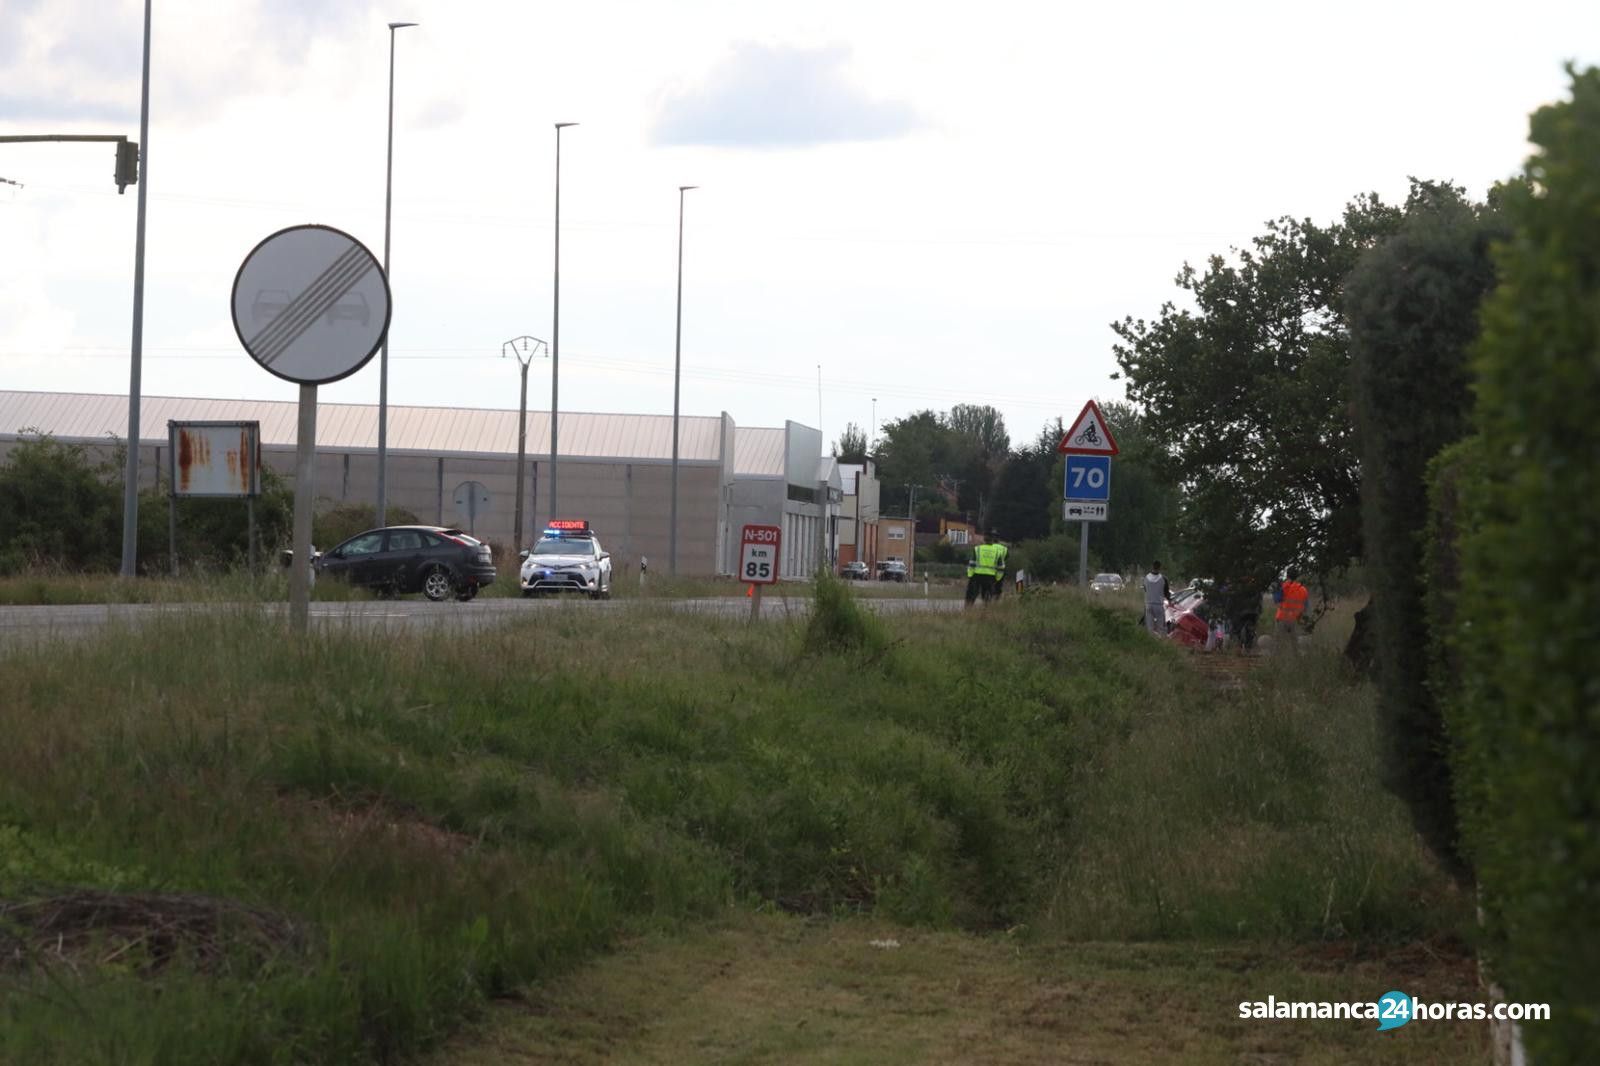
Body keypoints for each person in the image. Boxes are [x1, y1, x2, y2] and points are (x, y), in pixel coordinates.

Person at [1275, 567, 1309, 652]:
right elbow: (1306, 607)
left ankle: (1278, 661)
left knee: (1279, 644)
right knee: (1295, 644)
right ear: (1297, 576)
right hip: (1296, 620)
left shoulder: (1283, 587)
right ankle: (1296, 661)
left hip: (1282, 619)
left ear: (1287, 575)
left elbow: (1277, 600)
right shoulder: (1303, 589)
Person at [1143, 560, 1174, 636]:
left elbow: (1145, 589)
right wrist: (1170, 600)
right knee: (1161, 628)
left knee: (1150, 628)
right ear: (1160, 568)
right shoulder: (1163, 578)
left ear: (1152, 567)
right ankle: (1161, 643)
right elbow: (1166, 592)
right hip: (1158, 605)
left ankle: (1151, 642)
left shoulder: (1146, 578)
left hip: (1149, 604)